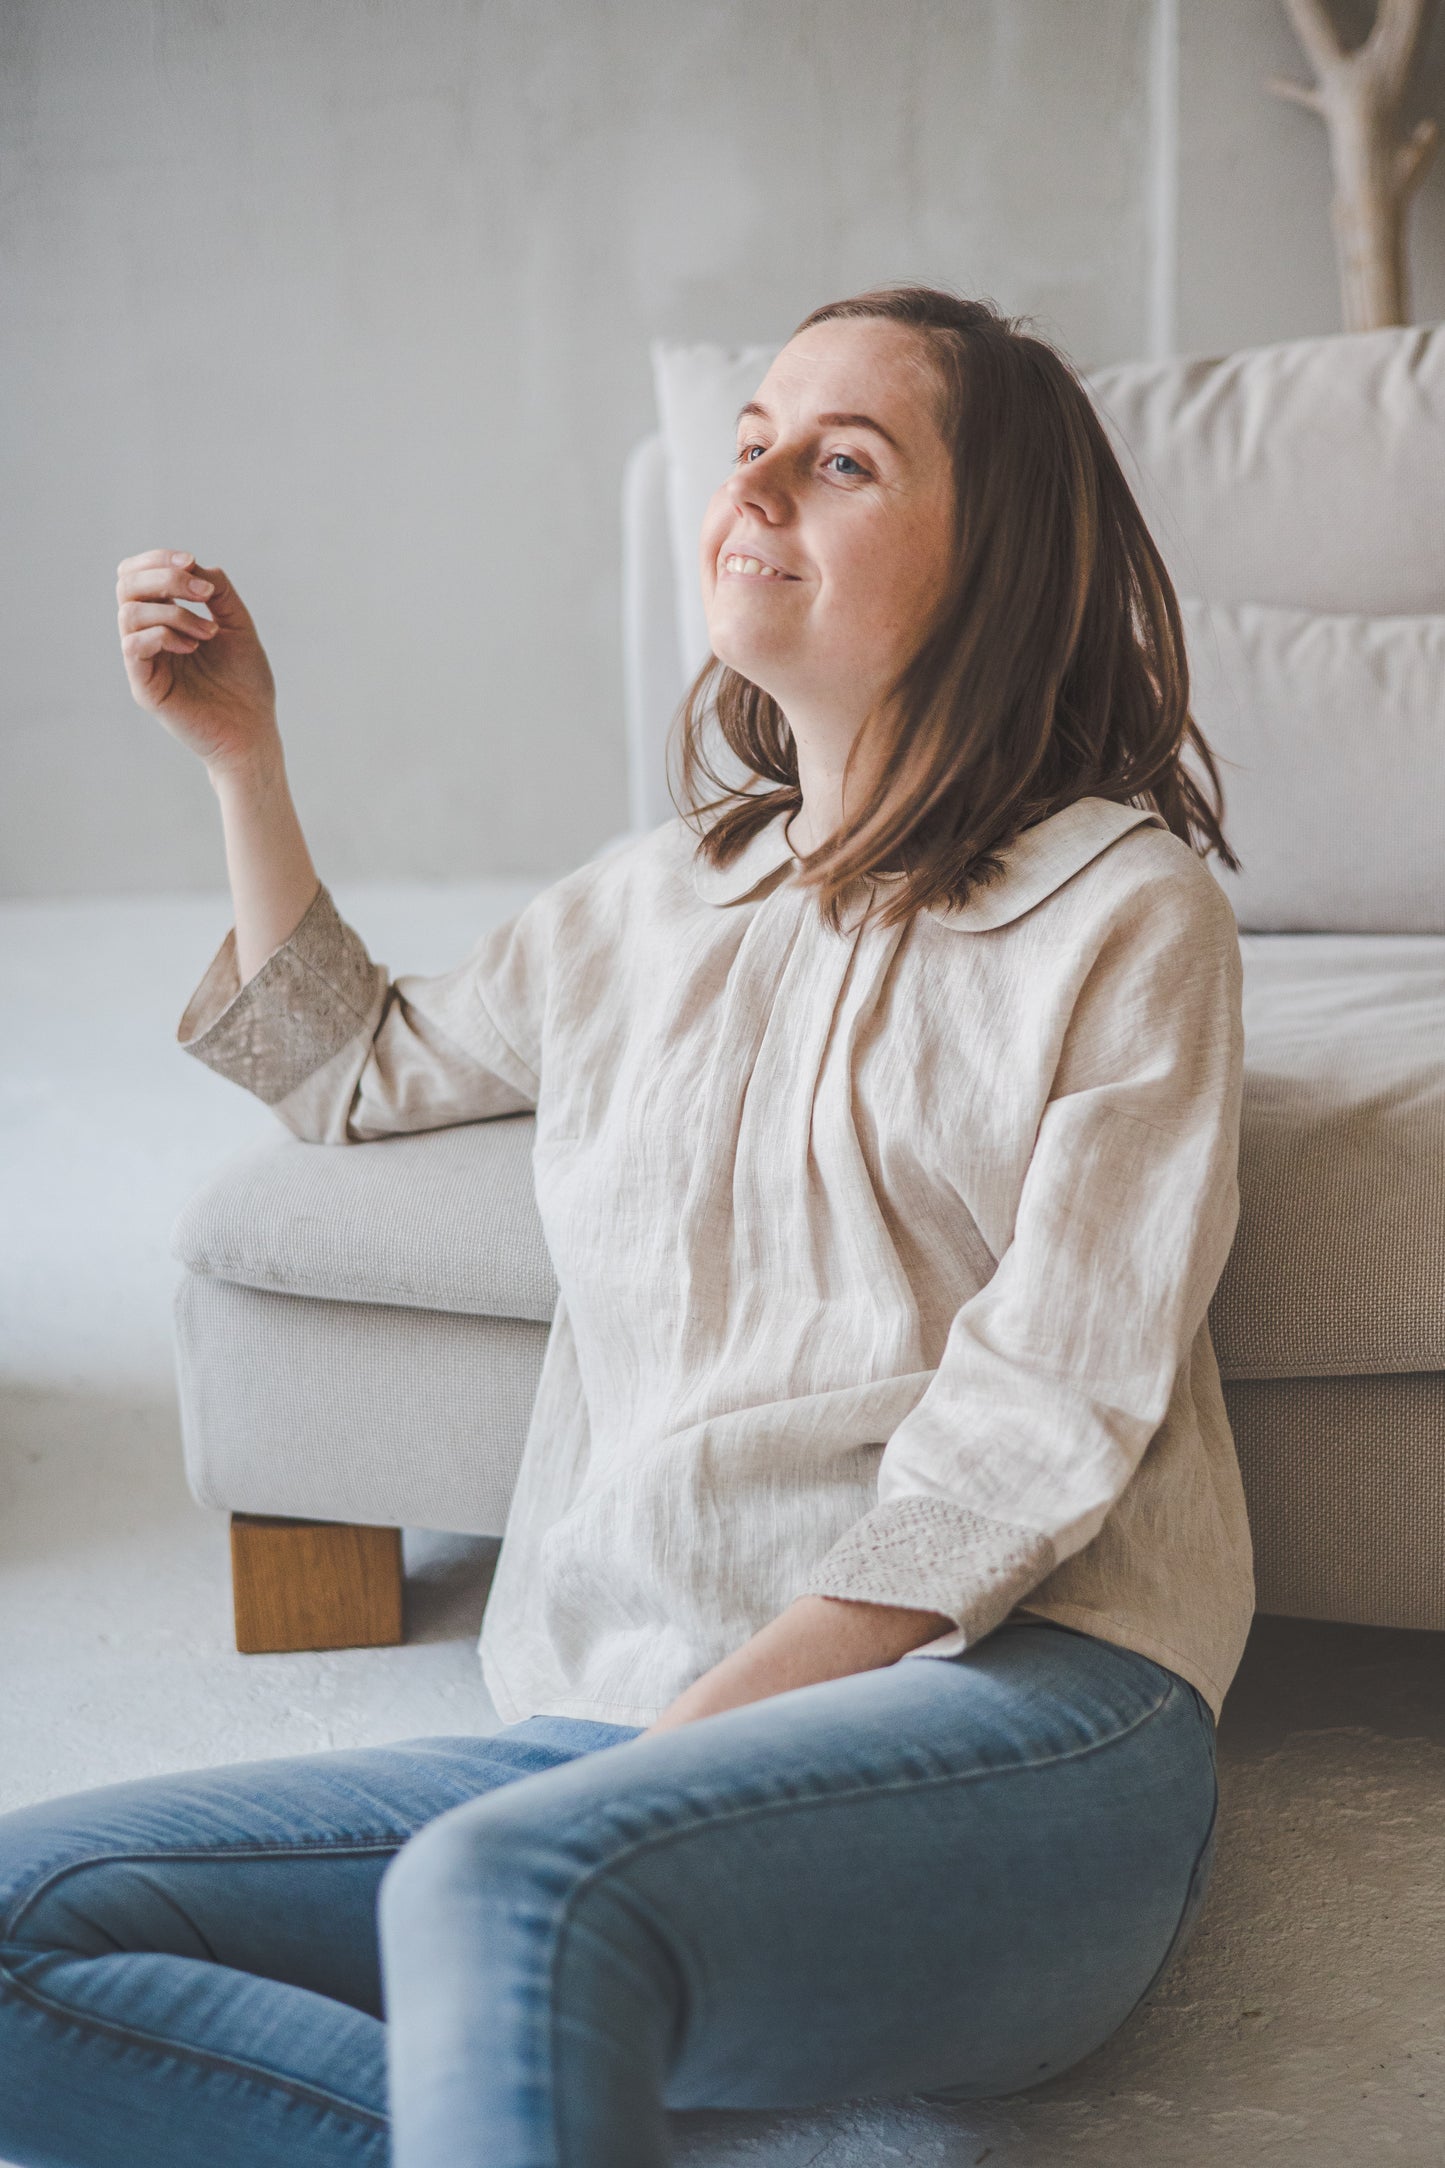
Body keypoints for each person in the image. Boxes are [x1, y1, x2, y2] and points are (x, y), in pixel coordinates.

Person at [0, 285, 1253, 2168]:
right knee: (26, 1921)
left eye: (840, 460)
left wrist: (678, 1757)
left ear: (994, 565)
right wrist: (243, 759)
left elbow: (1031, 1432)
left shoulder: (1120, 915)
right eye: (749, 434)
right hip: (606, 1739)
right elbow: (351, 1068)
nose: (755, 478)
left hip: (1007, 1709)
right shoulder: (648, 905)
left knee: (497, 1890)